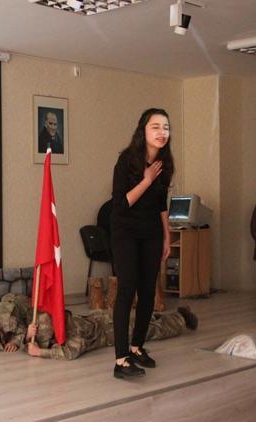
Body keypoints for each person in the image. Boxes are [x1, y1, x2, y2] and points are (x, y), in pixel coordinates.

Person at [109, 108, 174, 379]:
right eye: (155, 127)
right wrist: (147, 180)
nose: (162, 132)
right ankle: (121, 359)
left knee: (149, 290)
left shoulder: (165, 163)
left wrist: (167, 236)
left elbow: (161, 205)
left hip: (151, 232)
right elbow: (121, 203)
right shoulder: (127, 161)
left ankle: (137, 347)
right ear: (143, 131)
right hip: (125, 231)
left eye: (166, 127)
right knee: (127, 289)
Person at [24, 306, 198, 361]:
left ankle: (174, 318)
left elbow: (71, 351)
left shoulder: (68, 331)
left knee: (147, 326)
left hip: (106, 326)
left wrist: (40, 352)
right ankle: (180, 318)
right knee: (147, 328)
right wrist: (28, 337)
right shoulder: (61, 329)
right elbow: (72, 349)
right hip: (107, 326)